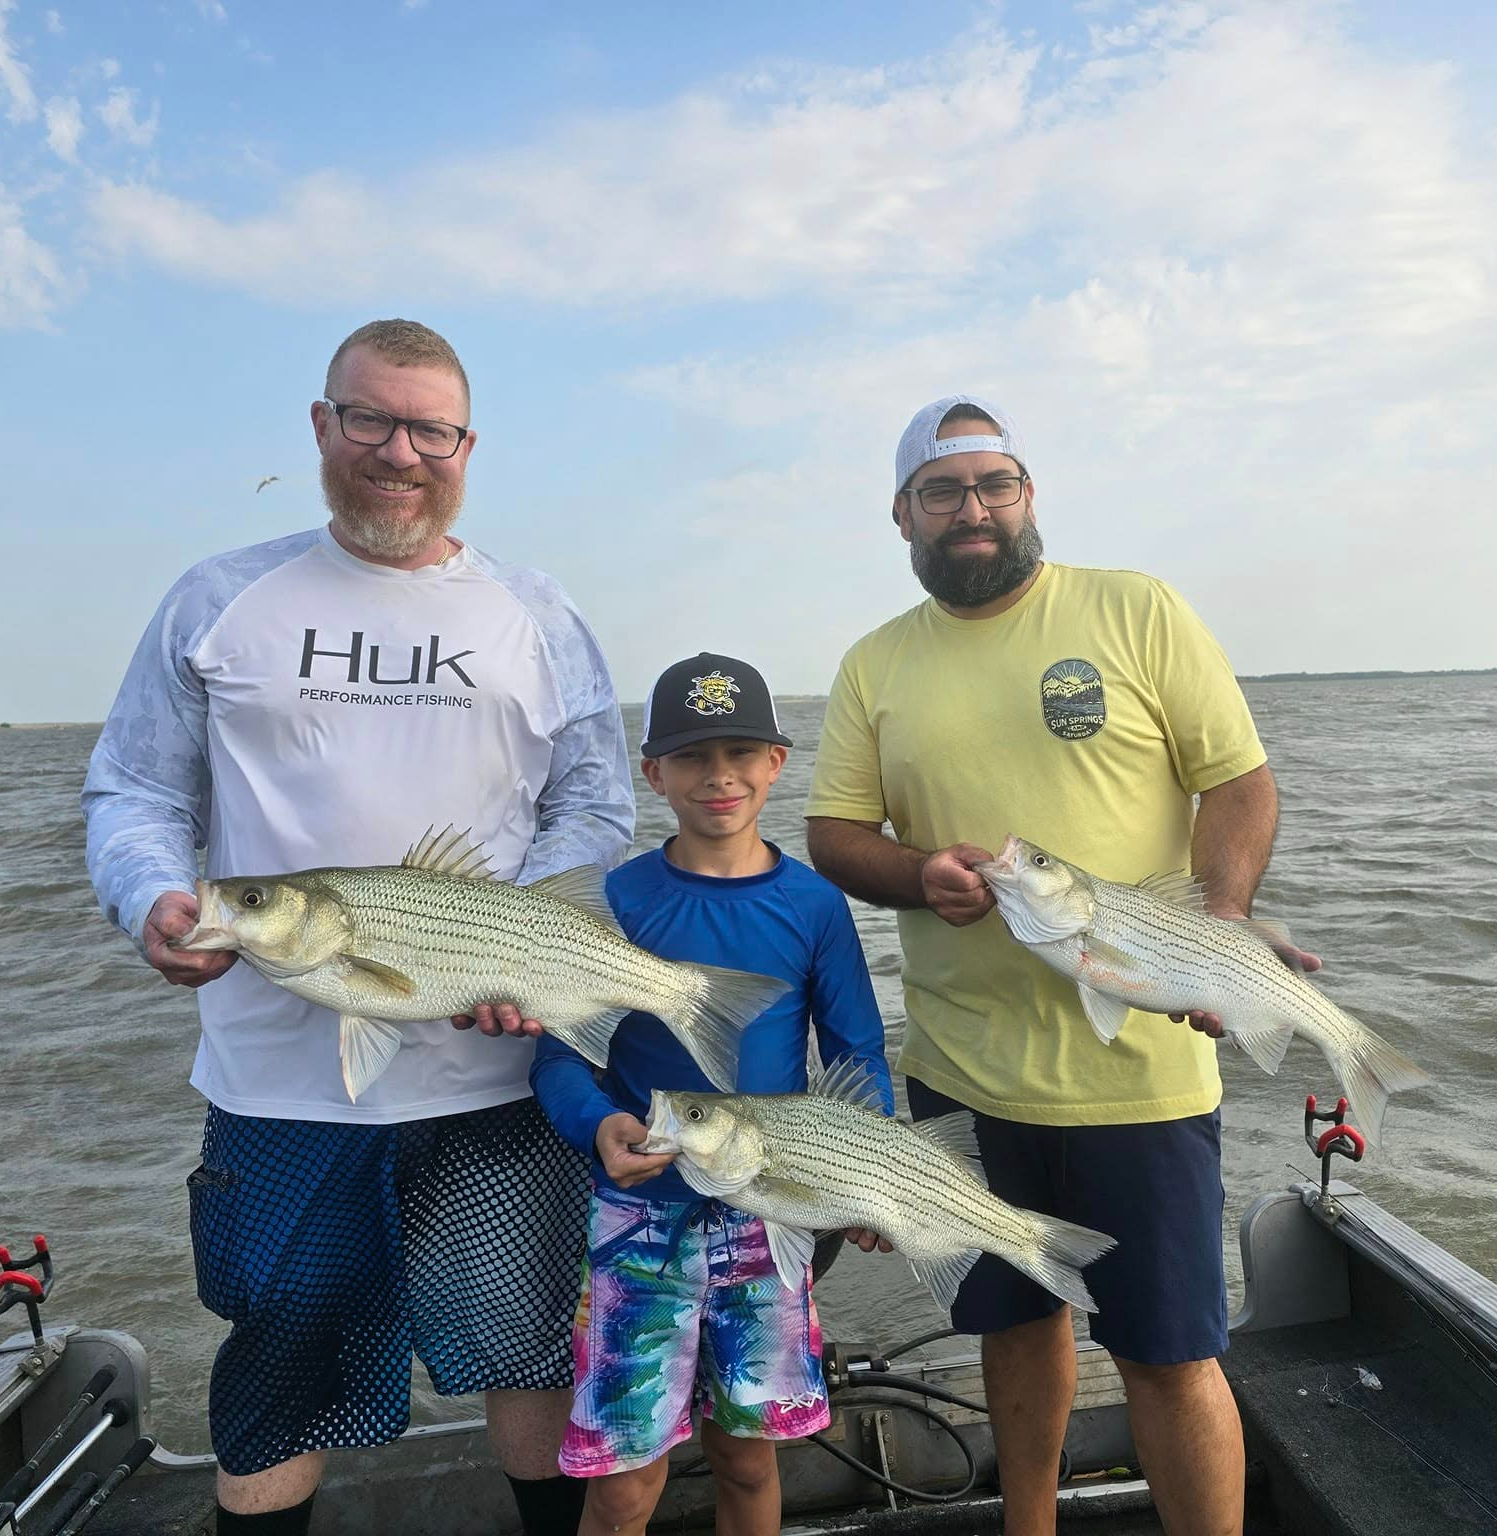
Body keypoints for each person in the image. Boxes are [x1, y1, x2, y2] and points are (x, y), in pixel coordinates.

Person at [82, 319, 634, 1536]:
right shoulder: (220, 599)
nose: (399, 452)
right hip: (276, 1086)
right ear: (322, 428)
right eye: (370, 420)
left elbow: (595, 802)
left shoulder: (535, 611)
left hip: (496, 1077)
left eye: (428, 428)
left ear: (467, 444)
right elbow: (134, 790)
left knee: (531, 1349)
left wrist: (528, 951)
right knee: (281, 1376)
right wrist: (148, 899)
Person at [804, 396, 1315, 1536]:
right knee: (1015, 1329)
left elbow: (1238, 782)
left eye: (996, 485)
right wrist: (913, 872)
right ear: (902, 514)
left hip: (1141, 1070)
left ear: (1029, 495)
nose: (973, 510)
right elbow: (834, 834)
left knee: (1173, 1354)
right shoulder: (873, 662)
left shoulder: (1137, 610)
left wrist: (1220, 928)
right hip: (964, 1075)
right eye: (944, 492)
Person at [530, 652, 895, 1536]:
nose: (718, 776)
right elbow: (557, 1059)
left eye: (739, 752)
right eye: (692, 757)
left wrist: (872, 1178)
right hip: (637, 1220)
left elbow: (858, 1052)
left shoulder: (814, 905)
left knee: (746, 1457)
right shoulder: (615, 899)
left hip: (768, 1222)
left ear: (776, 761)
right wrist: (600, 1123)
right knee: (622, 1482)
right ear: (653, 773)